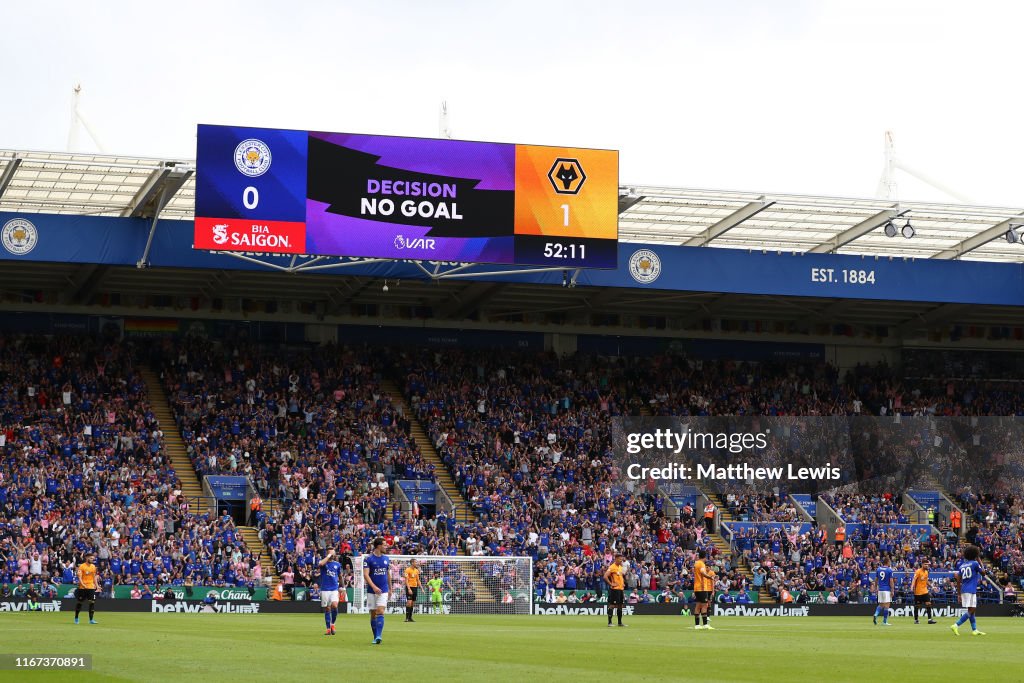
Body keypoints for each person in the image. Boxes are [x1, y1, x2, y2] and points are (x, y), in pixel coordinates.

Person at [951, 545, 986, 636]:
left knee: (971, 610)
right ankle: (956, 625)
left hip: (964, 589)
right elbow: (984, 573)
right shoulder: (975, 563)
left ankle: (974, 630)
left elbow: (958, 581)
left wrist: (959, 594)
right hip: (971, 590)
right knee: (972, 609)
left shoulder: (962, 566)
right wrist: (980, 561)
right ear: (975, 554)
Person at [363, 538, 390, 645]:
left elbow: (388, 574)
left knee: (380, 611)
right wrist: (374, 587)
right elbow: (366, 574)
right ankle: (375, 636)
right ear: (378, 546)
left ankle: (379, 635)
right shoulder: (368, 559)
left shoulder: (387, 559)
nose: (386, 546)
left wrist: (390, 588)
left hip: (383, 590)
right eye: (384, 545)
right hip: (371, 590)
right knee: (373, 614)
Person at [319, 549, 342, 636]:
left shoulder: (337, 564)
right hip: (325, 589)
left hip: (334, 589)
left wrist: (342, 587)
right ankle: (328, 629)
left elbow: (340, 576)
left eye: (333, 552)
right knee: (327, 609)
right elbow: (320, 564)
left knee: (335, 605)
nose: (333, 554)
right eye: (331, 552)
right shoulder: (324, 563)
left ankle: (333, 624)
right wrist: (328, 556)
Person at [692, 549, 716, 630]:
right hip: (702, 587)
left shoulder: (696, 563)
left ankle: (697, 625)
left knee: (698, 605)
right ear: (705, 557)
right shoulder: (701, 564)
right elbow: (702, 572)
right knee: (705, 605)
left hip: (696, 587)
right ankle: (705, 624)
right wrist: (710, 577)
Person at [74, 552, 99, 625]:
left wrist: (97, 586)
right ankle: (76, 618)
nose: (92, 560)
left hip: (91, 587)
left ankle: (91, 620)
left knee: (92, 603)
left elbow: (94, 577)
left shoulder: (93, 567)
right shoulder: (82, 566)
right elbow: (79, 577)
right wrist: (83, 584)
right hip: (83, 588)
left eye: (93, 558)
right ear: (87, 558)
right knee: (80, 602)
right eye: (91, 558)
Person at [602, 553, 626, 628]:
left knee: (620, 606)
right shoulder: (612, 567)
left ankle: (619, 622)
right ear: (615, 559)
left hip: (621, 589)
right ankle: (609, 622)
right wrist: (611, 584)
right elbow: (605, 576)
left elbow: (620, 577)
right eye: (619, 559)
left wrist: (623, 584)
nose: (621, 560)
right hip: (615, 590)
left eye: (621, 559)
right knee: (612, 605)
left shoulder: (620, 567)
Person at [912, 559, 937, 624]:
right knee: (917, 606)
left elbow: (926, 581)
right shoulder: (918, 571)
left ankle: (929, 620)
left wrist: (932, 586)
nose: (926, 565)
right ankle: (916, 620)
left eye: (927, 564)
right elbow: (914, 579)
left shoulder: (926, 572)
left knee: (928, 604)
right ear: (922, 564)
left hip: (925, 591)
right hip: (918, 591)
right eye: (925, 564)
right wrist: (912, 587)